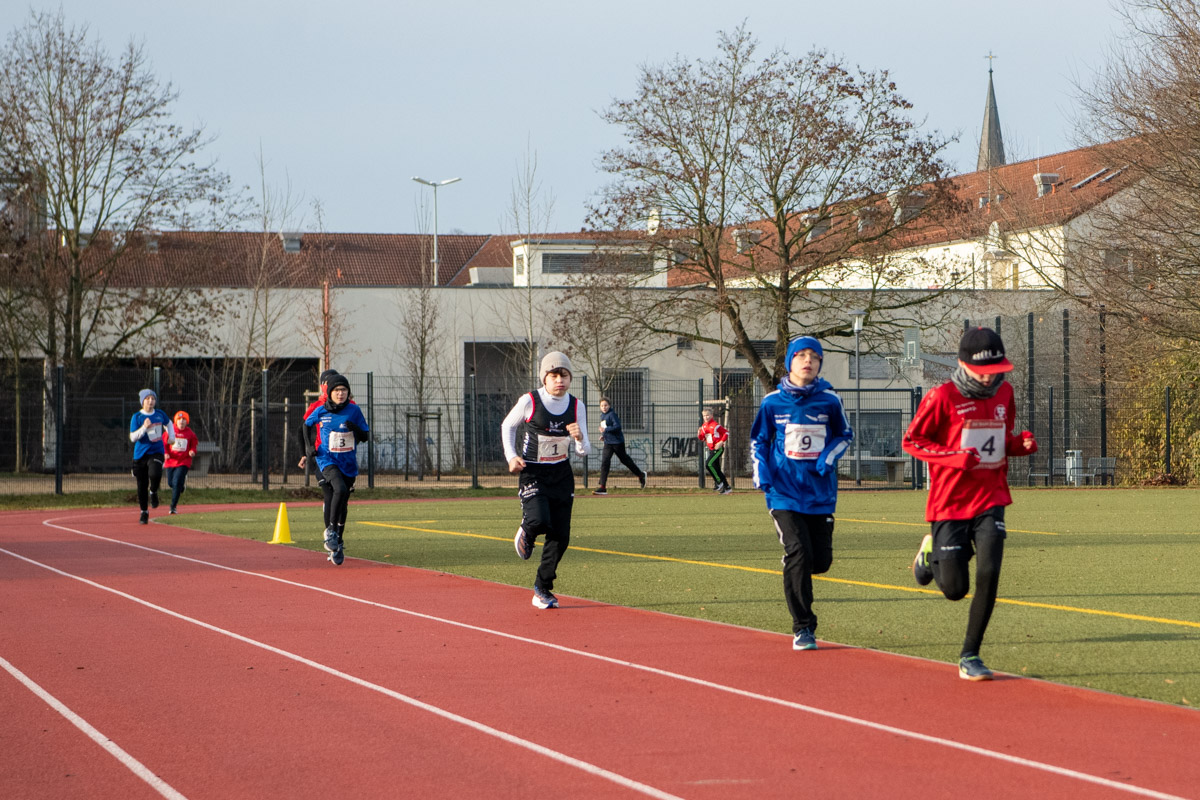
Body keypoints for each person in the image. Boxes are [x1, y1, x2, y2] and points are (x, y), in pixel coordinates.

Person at [902, 327, 1037, 681]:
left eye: (996, 370)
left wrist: (1018, 445)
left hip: (992, 496)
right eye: (983, 370)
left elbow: (999, 441)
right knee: (955, 590)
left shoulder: (1005, 393)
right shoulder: (942, 396)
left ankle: (970, 654)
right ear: (963, 364)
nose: (991, 377)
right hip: (950, 501)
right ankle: (930, 554)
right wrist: (954, 457)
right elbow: (912, 441)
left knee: (989, 571)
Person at [750, 336, 853, 651]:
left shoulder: (830, 400)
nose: (808, 361)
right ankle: (803, 627)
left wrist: (828, 458)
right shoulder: (772, 402)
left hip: (819, 493)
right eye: (801, 355)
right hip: (783, 492)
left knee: (819, 561)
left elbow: (844, 435)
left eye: (814, 357)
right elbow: (759, 441)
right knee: (798, 553)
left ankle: (796, 563)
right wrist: (761, 471)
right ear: (789, 362)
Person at [502, 351, 591, 609]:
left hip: (561, 475)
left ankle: (542, 588)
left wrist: (579, 438)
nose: (559, 380)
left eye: (564, 375)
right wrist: (511, 456)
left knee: (561, 536)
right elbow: (508, 426)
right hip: (533, 472)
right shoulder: (530, 400)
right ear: (544, 378)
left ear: (570, 378)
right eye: (554, 375)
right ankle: (527, 531)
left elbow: (584, 451)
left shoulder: (577, 406)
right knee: (539, 520)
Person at [304, 374, 370, 566]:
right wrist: (308, 448)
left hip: (347, 463)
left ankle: (338, 541)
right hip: (327, 459)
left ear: (348, 392)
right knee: (337, 490)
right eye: (337, 390)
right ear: (330, 393)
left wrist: (355, 429)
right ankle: (331, 531)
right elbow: (305, 425)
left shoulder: (354, 410)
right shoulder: (321, 410)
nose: (340, 394)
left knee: (344, 500)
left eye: (344, 390)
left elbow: (365, 436)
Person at [298, 369, 340, 535]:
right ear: (323, 385)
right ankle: (330, 532)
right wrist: (305, 452)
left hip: (343, 458)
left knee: (341, 494)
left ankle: (338, 532)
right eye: (328, 383)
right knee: (329, 492)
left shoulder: (350, 406)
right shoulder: (317, 407)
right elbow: (302, 429)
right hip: (322, 457)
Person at [129, 388, 174, 524]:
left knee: (155, 474)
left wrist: (171, 436)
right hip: (140, 454)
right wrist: (144, 427)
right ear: (142, 401)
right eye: (147, 399)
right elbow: (133, 438)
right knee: (141, 485)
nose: (150, 401)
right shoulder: (137, 417)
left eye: (153, 399)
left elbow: (169, 423)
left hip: (156, 451)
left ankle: (153, 491)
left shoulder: (159, 414)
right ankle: (144, 512)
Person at [593, 396, 646, 495]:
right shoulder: (602, 416)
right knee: (605, 462)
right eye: (602, 406)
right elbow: (605, 428)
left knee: (625, 460)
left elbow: (617, 426)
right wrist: (604, 436)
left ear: (609, 405)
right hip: (608, 443)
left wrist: (606, 430)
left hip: (617, 442)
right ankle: (602, 487)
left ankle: (641, 475)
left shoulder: (612, 414)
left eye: (606, 405)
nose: (604, 407)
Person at [164, 410, 199, 514]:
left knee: (176, 483)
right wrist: (166, 453)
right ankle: (181, 486)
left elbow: (194, 444)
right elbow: (164, 444)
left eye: (184, 419)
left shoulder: (190, 433)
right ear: (175, 421)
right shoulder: (170, 431)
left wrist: (192, 451)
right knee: (171, 483)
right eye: (179, 419)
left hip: (183, 461)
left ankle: (173, 506)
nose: (181, 421)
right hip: (171, 461)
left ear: (187, 421)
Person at [698, 407, 732, 494]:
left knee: (708, 464)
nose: (706, 417)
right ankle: (727, 487)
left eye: (708, 415)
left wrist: (721, 442)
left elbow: (726, 432)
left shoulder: (715, 425)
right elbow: (702, 438)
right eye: (704, 416)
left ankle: (719, 482)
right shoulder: (704, 426)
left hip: (718, 449)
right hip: (711, 449)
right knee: (716, 469)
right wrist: (699, 434)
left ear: (711, 415)